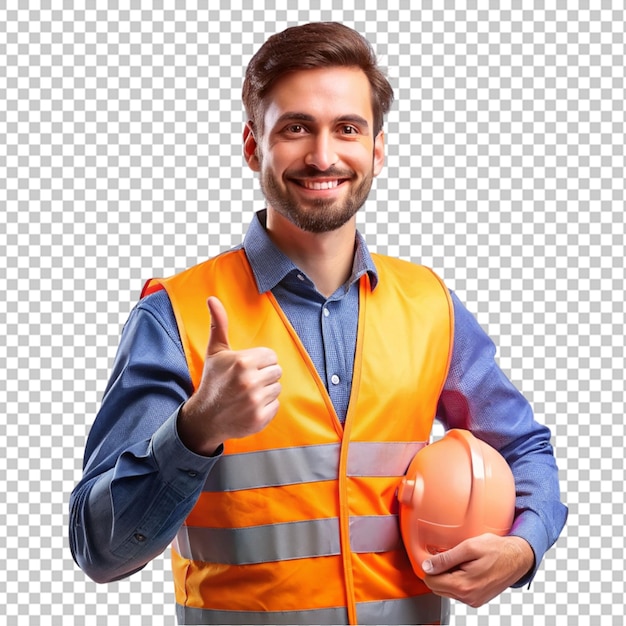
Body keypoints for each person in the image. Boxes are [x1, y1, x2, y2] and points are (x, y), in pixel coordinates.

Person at [69, 22, 567, 625]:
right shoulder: (176, 315)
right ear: (254, 146)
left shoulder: (431, 305)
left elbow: (524, 448)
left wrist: (523, 546)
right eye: (296, 128)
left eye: (348, 129)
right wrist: (194, 431)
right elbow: (98, 550)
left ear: (377, 150)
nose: (323, 156)